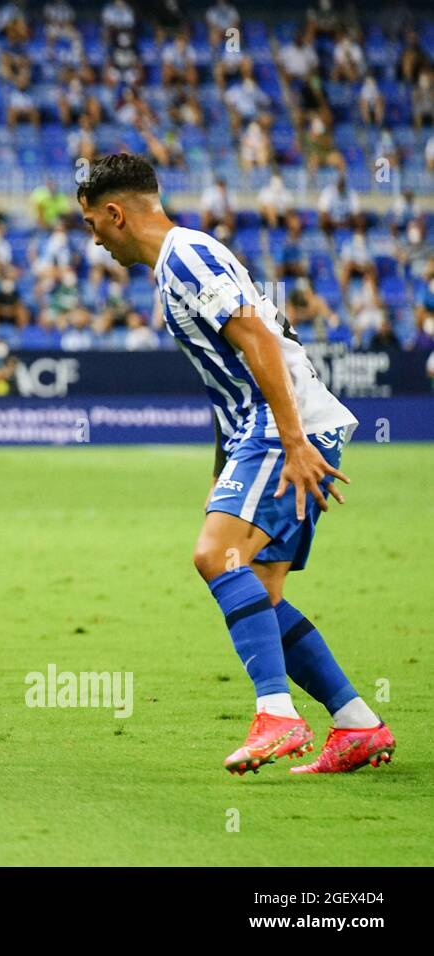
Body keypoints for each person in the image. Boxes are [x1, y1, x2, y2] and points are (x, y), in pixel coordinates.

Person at [76, 153, 394, 775]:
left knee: (215, 556)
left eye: (92, 223)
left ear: (116, 213)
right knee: (264, 593)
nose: (93, 238)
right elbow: (230, 374)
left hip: (282, 428)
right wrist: (228, 469)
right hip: (273, 428)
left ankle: (277, 715)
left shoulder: (187, 257)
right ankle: (357, 723)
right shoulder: (177, 262)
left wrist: (294, 439)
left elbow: (258, 341)